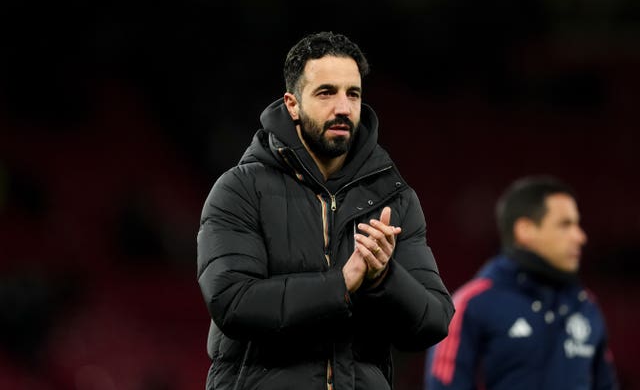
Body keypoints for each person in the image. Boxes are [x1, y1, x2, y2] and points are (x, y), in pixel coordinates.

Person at [196, 31, 454, 390]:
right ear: (292, 104)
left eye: (353, 94)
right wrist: (342, 284)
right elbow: (233, 302)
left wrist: (384, 279)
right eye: (326, 92)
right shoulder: (240, 189)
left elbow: (434, 321)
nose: (343, 108)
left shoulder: (394, 198)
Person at [425, 176, 618, 390]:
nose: (580, 237)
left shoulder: (585, 305)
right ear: (525, 230)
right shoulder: (471, 304)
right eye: (565, 225)